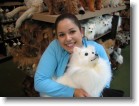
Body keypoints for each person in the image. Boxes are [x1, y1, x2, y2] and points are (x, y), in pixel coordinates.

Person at [34, 13, 111, 97]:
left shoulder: (97, 49)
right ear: (57, 37)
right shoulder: (55, 47)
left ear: (81, 32)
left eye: (72, 31)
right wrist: (72, 92)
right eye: (62, 35)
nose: (68, 38)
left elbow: (105, 83)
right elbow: (40, 82)